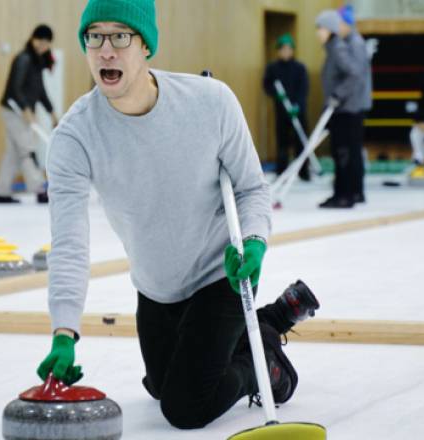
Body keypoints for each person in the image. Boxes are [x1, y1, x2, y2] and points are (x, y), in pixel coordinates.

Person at [36, 0, 320, 429]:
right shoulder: (75, 137)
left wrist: (256, 243)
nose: (105, 50)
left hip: (222, 271)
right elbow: (71, 242)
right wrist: (64, 331)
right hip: (157, 287)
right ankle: (266, 324)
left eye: (120, 36)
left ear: (146, 45)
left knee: (185, 406)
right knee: (160, 384)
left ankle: (265, 368)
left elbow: (251, 188)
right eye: (94, 37)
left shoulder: (209, 103)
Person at [0, 24, 57, 204]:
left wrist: (51, 112)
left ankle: (1, 191)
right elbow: (15, 87)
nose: (44, 46)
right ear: (33, 39)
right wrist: (26, 110)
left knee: (13, 152)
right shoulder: (24, 59)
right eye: (41, 41)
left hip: (21, 111)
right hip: (15, 110)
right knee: (27, 149)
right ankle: (39, 188)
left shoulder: (37, 61)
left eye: (47, 43)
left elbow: (40, 90)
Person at [315, 9, 370, 208]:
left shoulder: (340, 47)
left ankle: (345, 194)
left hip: (347, 109)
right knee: (342, 152)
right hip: (342, 108)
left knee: (344, 151)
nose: (317, 33)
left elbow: (355, 74)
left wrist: (338, 95)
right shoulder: (335, 46)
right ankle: (345, 192)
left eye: (320, 28)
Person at [261, 34, 311, 181]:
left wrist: (298, 105)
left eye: (289, 49)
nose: (286, 52)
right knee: (282, 142)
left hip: (298, 111)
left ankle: (303, 172)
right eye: (283, 49)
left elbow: (304, 88)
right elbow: (266, 85)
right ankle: (281, 171)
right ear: (278, 51)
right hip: (281, 111)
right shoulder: (272, 68)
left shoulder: (300, 68)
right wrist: (277, 95)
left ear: (293, 50)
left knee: (300, 141)